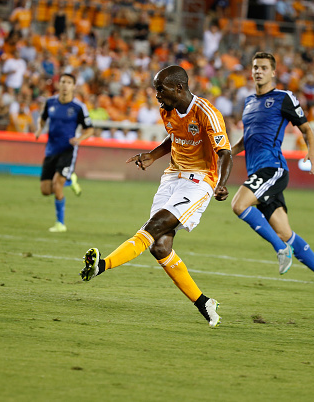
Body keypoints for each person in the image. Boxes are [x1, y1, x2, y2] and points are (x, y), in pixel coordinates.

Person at [80, 65, 233, 328]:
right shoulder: (167, 109)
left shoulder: (207, 112)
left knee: (152, 229)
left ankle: (102, 266)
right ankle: (204, 302)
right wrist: (152, 154)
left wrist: (222, 182)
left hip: (198, 182)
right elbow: (174, 137)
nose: (156, 95)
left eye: (160, 89)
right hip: (172, 176)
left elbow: (225, 153)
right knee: (159, 246)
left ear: (179, 88)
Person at [230, 52, 314, 296]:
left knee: (239, 205)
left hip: (273, 169)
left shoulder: (283, 98)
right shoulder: (248, 102)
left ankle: (281, 249)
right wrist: (226, 152)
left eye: (264, 68)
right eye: (255, 67)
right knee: (285, 232)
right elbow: (247, 139)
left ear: (273, 72)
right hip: (258, 171)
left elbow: (307, 129)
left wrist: (312, 152)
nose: (258, 71)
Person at [34, 73, 94, 232]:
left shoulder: (78, 107)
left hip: (68, 149)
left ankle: (60, 223)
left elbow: (89, 129)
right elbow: (43, 118)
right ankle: (70, 180)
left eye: (69, 82)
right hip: (51, 149)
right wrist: (40, 128)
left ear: (74, 86)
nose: (65, 85)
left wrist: (79, 139)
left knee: (57, 183)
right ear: (58, 84)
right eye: (63, 82)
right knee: (45, 190)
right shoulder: (50, 102)